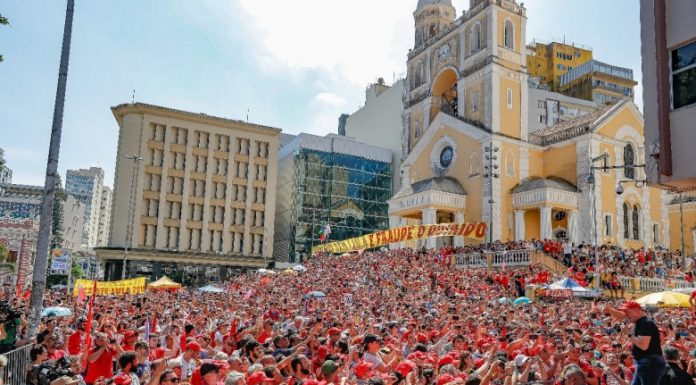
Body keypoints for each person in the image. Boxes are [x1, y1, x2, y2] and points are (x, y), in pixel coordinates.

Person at [605, 301, 666, 385]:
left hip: (649, 363)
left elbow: (643, 345)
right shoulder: (640, 322)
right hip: (645, 362)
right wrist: (609, 310)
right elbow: (622, 316)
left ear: (637, 310)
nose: (626, 314)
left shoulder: (645, 323)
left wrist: (629, 334)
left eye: (627, 311)